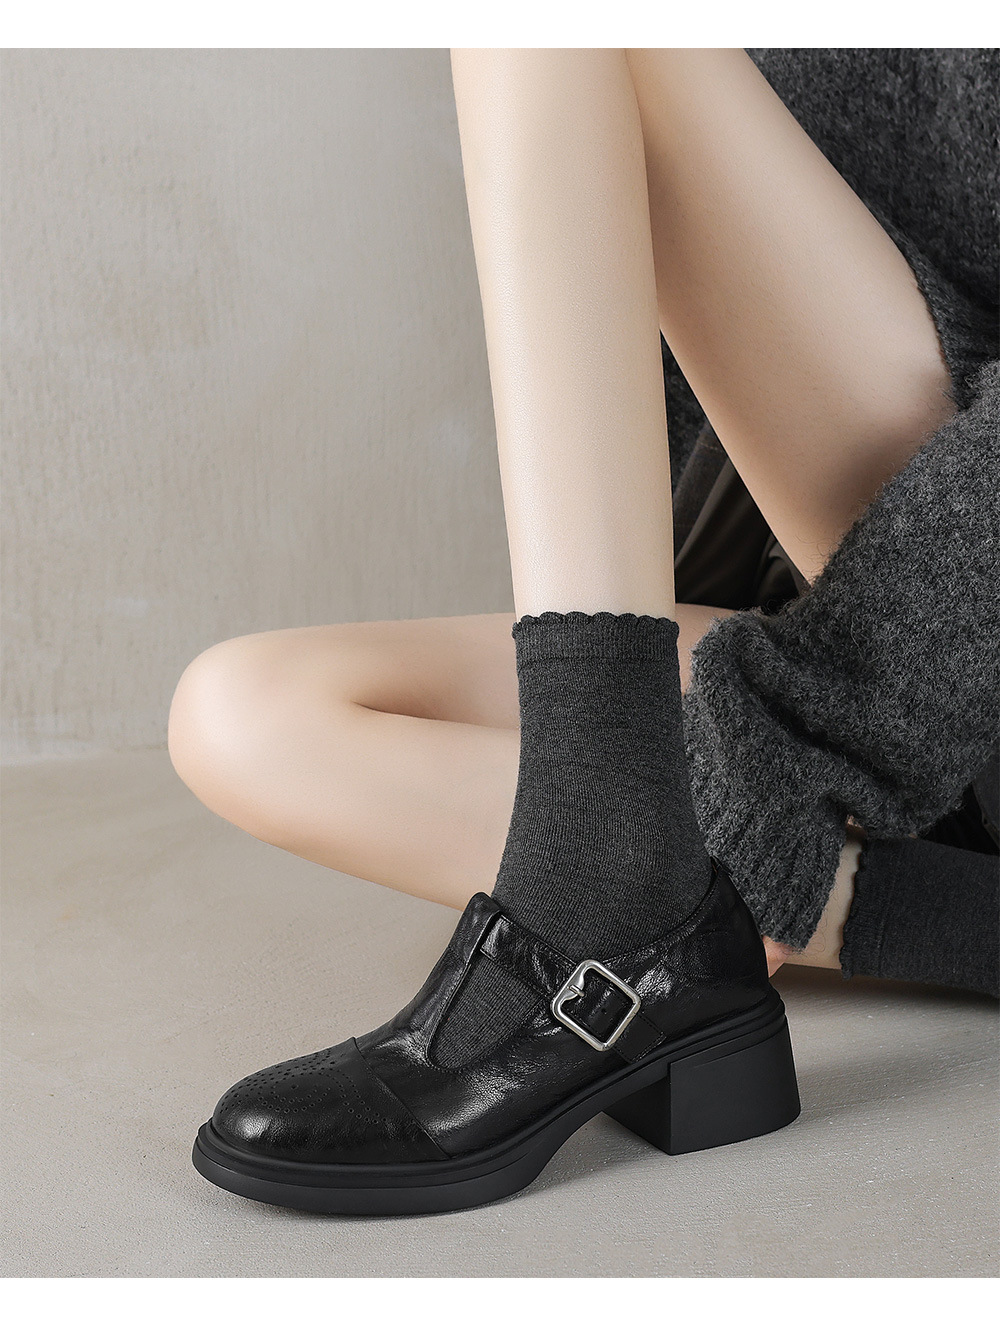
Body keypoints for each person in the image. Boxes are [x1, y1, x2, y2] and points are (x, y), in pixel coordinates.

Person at [167, 49, 999, 1215]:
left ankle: (609, 868)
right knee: (242, 714)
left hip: (944, 619)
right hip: (873, 604)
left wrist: (782, 756)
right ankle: (697, 899)